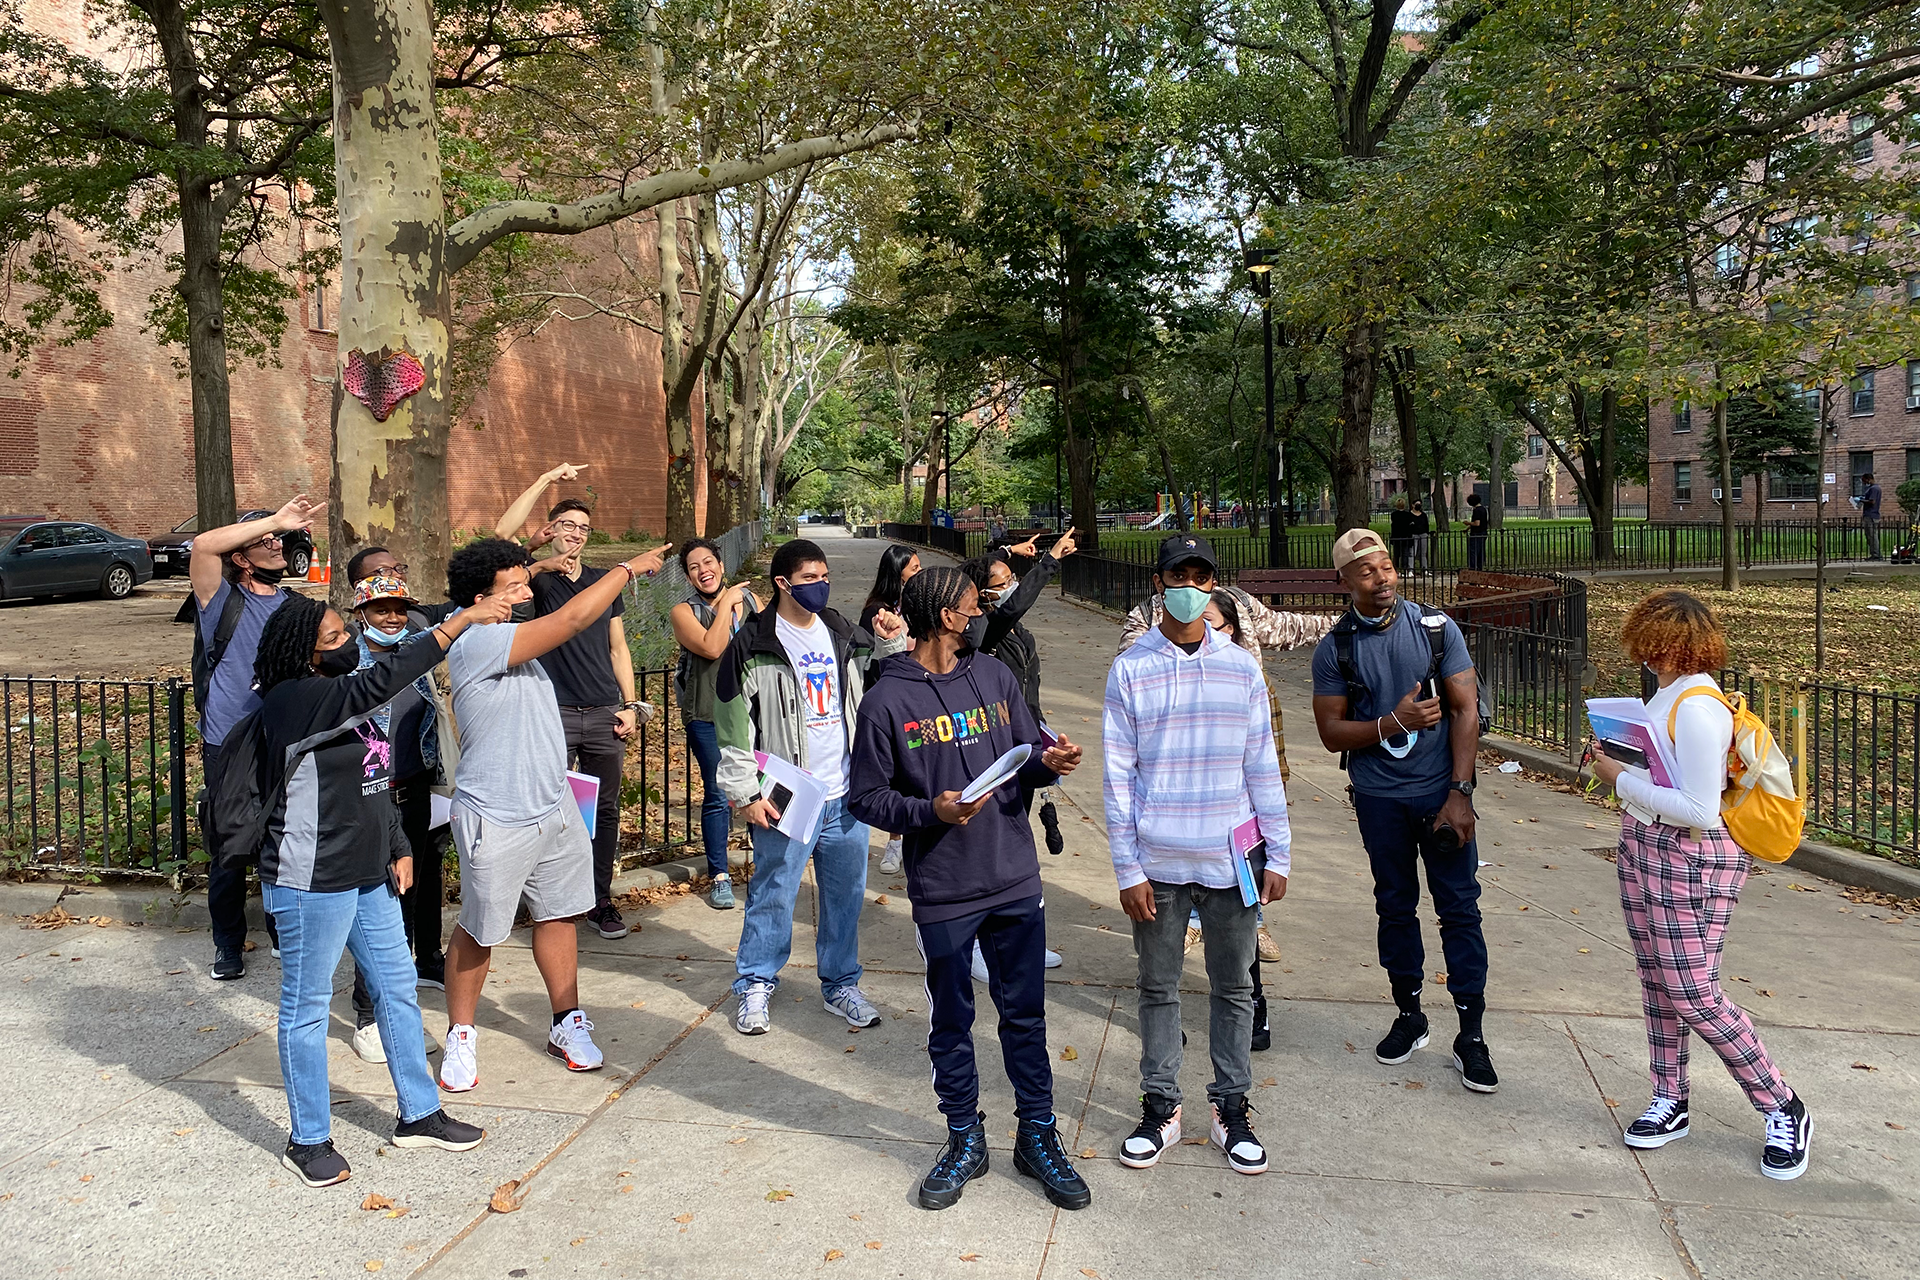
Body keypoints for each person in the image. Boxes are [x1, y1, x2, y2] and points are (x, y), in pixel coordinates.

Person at [848, 567, 1091, 1212]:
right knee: (952, 1021)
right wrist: (933, 812)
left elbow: (1024, 753)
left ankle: (1038, 1137)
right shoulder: (886, 701)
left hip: (1013, 874)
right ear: (942, 615)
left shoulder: (995, 677)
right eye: (970, 603)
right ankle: (964, 1138)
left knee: (1025, 1016)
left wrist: (1049, 763)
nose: (979, 610)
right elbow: (866, 797)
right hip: (945, 887)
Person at [246, 591, 508, 1186]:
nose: (348, 646)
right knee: (306, 1010)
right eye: (335, 639)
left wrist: (397, 842)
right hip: (311, 877)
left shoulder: (344, 691)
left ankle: (419, 1114)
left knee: (397, 991)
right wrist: (459, 622)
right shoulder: (293, 700)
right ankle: (307, 1139)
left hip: (369, 873)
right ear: (304, 652)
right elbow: (374, 685)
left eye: (345, 635)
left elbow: (375, 770)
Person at [436, 536, 672, 1093]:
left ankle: (566, 1023)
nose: (525, 590)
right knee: (480, 929)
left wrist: (535, 563)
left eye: (524, 582)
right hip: (497, 814)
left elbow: (569, 620)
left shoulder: (516, 639)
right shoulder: (477, 640)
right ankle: (461, 1035)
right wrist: (625, 570)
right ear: (478, 598)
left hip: (554, 807)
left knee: (559, 915)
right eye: (513, 585)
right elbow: (571, 618)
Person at [1590, 590, 1811, 1180]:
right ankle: (1672, 1099)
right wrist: (1620, 760)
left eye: (1648, 643)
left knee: (1693, 991)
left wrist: (1617, 778)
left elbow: (1697, 808)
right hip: (1645, 845)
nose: (1643, 653)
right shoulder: (1668, 696)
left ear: (1661, 645)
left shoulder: (1695, 707)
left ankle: (1781, 1106)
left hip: (1691, 856)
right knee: (1657, 979)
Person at [1104, 533, 1291, 1178]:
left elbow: (1262, 763)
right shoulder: (1130, 668)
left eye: (1201, 576)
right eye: (1177, 574)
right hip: (1158, 861)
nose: (1189, 586)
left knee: (1233, 988)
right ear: (1159, 583)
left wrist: (1280, 853)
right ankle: (1161, 1106)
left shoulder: (1241, 668)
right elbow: (1118, 776)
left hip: (1229, 858)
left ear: (1214, 586)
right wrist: (1127, 868)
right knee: (1157, 988)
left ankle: (1231, 1107)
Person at [1310, 528, 1497, 1093]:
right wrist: (1392, 723)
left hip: (1442, 796)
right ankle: (1409, 1015)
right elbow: (1330, 733)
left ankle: (1471, 1034)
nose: (1383, 578)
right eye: (1367, 571)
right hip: (1379, 798)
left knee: (1460, 910)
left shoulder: (1437, 631)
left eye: (1387, 566)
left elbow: (1465, 710)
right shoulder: (1336, 647)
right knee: (1395, 908)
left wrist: (1460, 793)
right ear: (1344, 582)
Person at [716, 538, 907, 1036]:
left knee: (846, 896)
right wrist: (746, 794)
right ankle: (755, 983)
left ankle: (842, 983)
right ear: (783, 584)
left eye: (825, 577)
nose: (822, 585)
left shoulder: (844, 634)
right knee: (773, 893)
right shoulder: (754, 645)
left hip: (845, 794)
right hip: (787, 795)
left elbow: (887, 687)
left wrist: (888, 643)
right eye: (810, 579)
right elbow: (734, 727)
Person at [495, 472, 645, 941]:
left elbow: (619, 649)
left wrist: (632, 704)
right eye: (567, 524)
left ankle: (600, 900)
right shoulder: (533, 581)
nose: (576, 533)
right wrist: (543, 481)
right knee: (546, 810)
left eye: (583, 527)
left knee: (602, 811)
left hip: (603, 713)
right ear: (551, 528)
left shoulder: (604, 583)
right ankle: (547, 902)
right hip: (552, 715)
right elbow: (502, 538)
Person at [190, 497, 318, 979]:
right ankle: (227, 941)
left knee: (282, 838)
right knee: (229, 841)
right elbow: (203, 545)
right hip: (229, 739)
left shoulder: (297, 607)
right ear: (241, 557)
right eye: (262, 542)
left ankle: (283, 932)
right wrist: (275, 521)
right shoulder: (221, 601)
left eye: (279, 538)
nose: (276, 543)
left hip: (283, 736)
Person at [344, 573, 450, 1066]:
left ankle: (395, 1007)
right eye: (382, 608)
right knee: (378, 905)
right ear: (361, 611)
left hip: (414, 792)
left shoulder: (414, 653)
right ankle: (368, 1015)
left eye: (400, 608)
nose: (393, 616)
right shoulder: (346, 663)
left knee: (404, 904)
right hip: (371, 798)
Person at [670, 538, 761, 910]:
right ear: (688, 576)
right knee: (717, 793)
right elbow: (711, 646)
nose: (703, 570)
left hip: (752, 713)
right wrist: (725, 604)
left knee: (759, 789)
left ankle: (764, 868)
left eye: (708, 562)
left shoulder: (753, 603)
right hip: (706, 715)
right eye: (694, 566)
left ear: (721, 565)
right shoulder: (683, 611)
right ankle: (720, 875)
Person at [860, 544, 923, 876]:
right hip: (889, 694)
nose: (919, 573)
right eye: (913, 568)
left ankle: (916, 833)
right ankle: (895, 842)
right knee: (897, 770)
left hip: (920, 692)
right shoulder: (879, 610)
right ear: (897, 572)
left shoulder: (917, 603)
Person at [1861, 472, 1882, 560]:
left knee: (1872, 536)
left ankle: (1876, 555)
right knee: (1870, 535)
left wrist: (1862, 500)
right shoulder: (1874, 488)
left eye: (1864, 481)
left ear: (1868, 479)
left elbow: (1872, 501)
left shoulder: (1874, 489)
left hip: (1871, 515)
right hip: (1871, 514)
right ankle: (1874, 554)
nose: (1863, 483)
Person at [1465, 492, 1490, 570]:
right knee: (1480, 552)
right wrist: (1467, 529)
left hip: (1476, 534)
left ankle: (1472, 568)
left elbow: (1477, 523)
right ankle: (1480, 568)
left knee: (1473, 552)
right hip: (1483, 532)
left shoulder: (1476, 511)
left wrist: (1467, 523)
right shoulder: (1483, 509)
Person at [1389, 495, 1414, 567]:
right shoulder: (1408, 515)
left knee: (1396, 553)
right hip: (1405, 536)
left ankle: (1396, 567)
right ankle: (1404, 568)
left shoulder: (1394, 514)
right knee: (1404, 553)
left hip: (1396, 536)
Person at [1409, 500, 1431, 572]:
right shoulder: (1409, 515)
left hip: (1423, 534)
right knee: (1412, 553)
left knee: (1423, 553)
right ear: (1413, 505)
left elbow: (1426, 525)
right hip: (1413, 535)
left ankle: (1424, 569)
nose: (1418, 505)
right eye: (1417, 504)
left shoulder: (1423, 515)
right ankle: (1410, 569)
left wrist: (1426, 533)